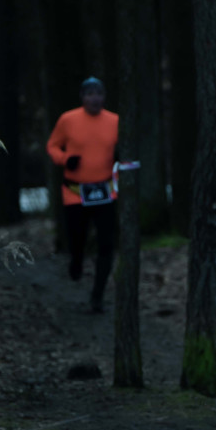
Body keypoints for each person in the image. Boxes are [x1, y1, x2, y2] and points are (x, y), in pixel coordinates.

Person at [46, 76, 119, 313]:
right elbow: (52, 146)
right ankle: (76, 261)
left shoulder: (115, 121)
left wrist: (121, 159)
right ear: (82, 97)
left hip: (106, 192)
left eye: (98, 93)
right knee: (77, 239)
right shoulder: (68, 120)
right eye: (90, 94)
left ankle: (98, 294)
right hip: (75, 193)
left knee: (107, 245)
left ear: (104, 97)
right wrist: (66, 159)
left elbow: (124, 150)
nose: (94, 98)